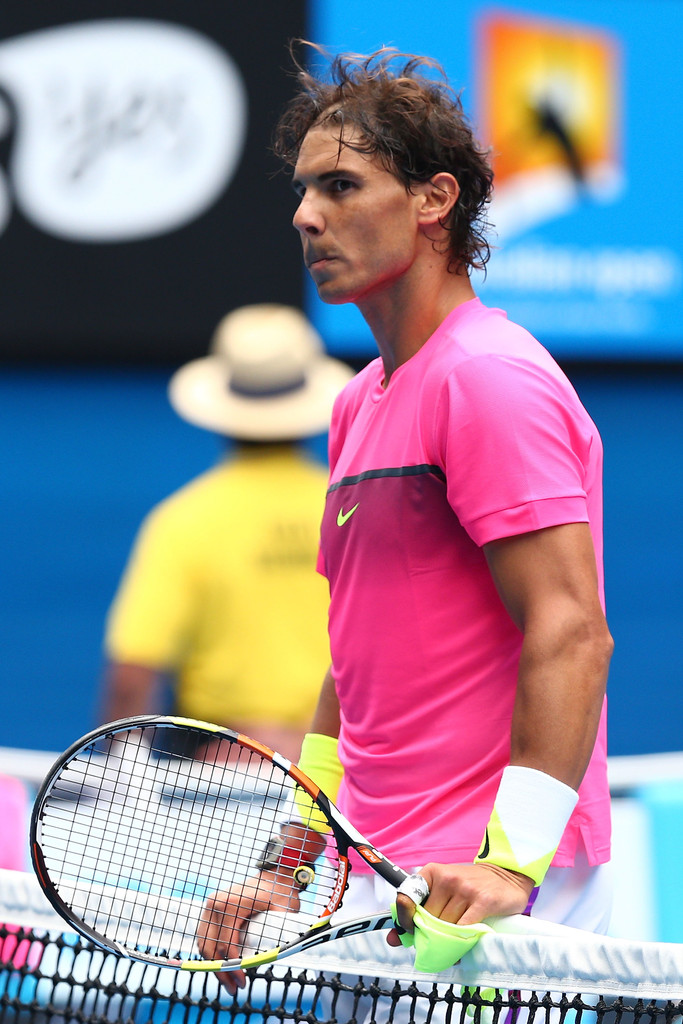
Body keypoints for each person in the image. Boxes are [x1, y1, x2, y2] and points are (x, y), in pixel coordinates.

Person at [197, 43, 614, 992]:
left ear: (433, 201)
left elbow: (573, 632)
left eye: (342, 185)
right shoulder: (358, 403)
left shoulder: (488, 379)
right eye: (303, 192)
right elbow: (353, 665)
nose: (306, 215)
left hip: (485, 892)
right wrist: (290, 864)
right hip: (375, 875)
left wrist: (509, 864)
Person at [100, 304, 354, 762]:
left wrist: (121, 777)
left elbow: (132, 674)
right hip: (338, 765)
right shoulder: (352, 510)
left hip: (218, 770)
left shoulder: (185, 518)